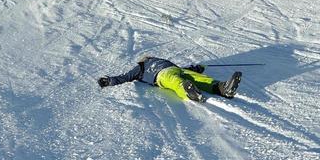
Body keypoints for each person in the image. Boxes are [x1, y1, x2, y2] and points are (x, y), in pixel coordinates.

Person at [98, 57, 241, 102]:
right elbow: (125, 77)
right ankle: (190, 92)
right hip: (160, 75)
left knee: (200, 78)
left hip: (177, 69)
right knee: (175, 81)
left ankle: (223, 88)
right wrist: (109, 81)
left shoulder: (162, 61)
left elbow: (188, 69)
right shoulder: (140, 68)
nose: (148, 58)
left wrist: (197, 68)